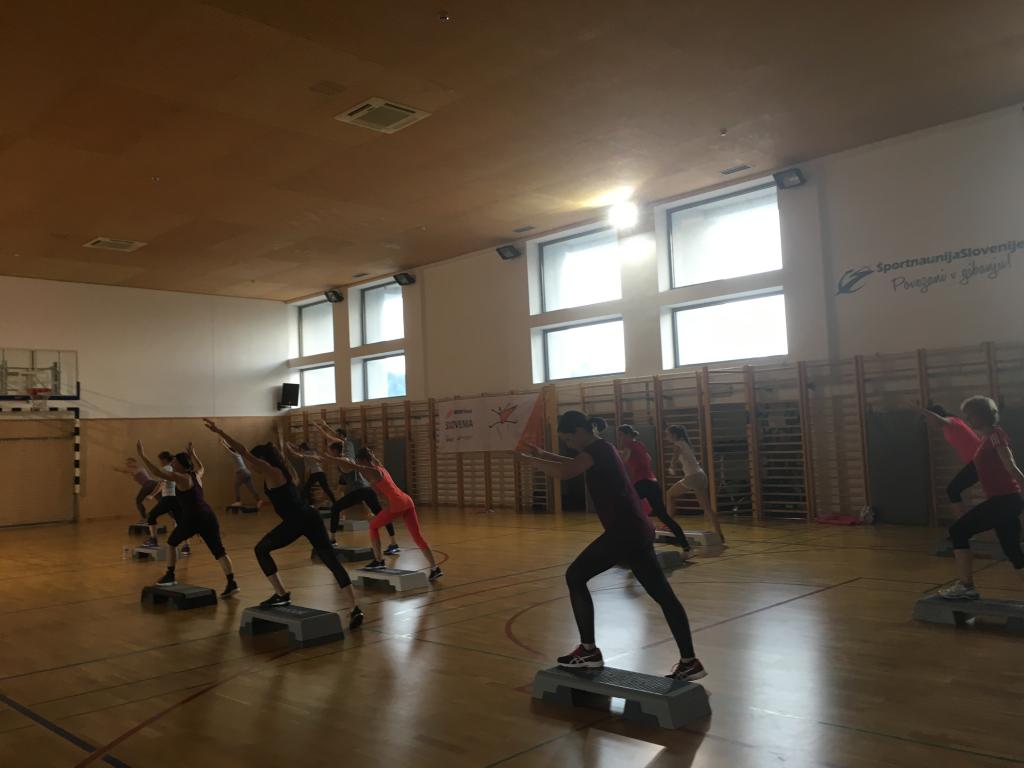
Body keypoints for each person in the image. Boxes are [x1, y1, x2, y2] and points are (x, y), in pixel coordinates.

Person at [519, 410, 705, 681]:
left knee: (575, 576)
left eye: (568, 439)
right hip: (636, 530)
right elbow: (572, 463)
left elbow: (565, 471)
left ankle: (588, 651)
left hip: (625, 532)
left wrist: (529, 460)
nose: (568, 444)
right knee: (663, 596)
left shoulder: (598, 450)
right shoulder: (600, 448)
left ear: (580, 431)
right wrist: (542, 454)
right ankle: (690, 661)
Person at [204, 420, 364, 627]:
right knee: (331, 561)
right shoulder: (282, 470)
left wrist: (219, 431)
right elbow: (252, 453)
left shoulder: (271, 471)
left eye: (254, 462)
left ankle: (281, 594)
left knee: (261, 550)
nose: (251, 465)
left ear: (262, 460)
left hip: (297, 520)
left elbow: (243, 451)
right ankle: (354, 607)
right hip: (310, 517)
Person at [939, 396, 1024, 599]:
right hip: (1005, 501)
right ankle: (966, 587)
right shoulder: (986, 438)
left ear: (981, 415)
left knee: (958, 531)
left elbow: (1010, 466)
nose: (967, 419)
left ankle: (966, 587)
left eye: (970, 415)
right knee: (1012, 550)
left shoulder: (995, 436)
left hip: (1004, 501)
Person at [320, 445, 442, 578]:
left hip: (397, 505)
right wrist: (370, 455)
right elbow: (371, 461)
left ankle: (379, 560)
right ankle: (435, 568)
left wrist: (331, 459)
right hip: (407, 502)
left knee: (373, 526)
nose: (359, 464)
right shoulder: (379, 467)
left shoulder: (373, 471)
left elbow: (352, 466)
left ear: (364, 460)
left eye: (359, 461)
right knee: (417, 537)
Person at [137, 440, 237, 597]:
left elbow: (157, 473)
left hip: (194, 518)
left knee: (171, 543)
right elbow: (202, 467)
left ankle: (170, 574)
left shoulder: (181, 477)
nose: (172, 463)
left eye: (175, 462)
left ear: (181, 465)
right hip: (208, 515)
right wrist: (194, 454)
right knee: (219, 551)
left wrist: (142, 455)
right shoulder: (196, 475)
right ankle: (232, 583)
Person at [311, 422, 400, 555]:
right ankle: (394, 543)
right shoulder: (343, 456)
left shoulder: (343, 459)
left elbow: (333, 458)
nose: (329, 452)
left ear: (335, 451)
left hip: (359, 490)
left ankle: (333, 540)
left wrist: (322, 431)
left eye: (330, 450)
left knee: (336, 508)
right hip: (367, 490)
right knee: (380, 514)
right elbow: (328, 457)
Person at [616, 425, 691, 556]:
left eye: (621, 435)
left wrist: (614, 454)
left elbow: (622, 461)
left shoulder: (629, 446)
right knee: (663, 516)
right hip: (653, 483)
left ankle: (633, 542)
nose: (620, 438)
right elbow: (648, 458)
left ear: (628, 435)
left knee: (624, 509)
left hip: (642, 483)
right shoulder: (640, 444)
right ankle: (687, 547)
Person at [921, 403, 981, 517]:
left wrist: (919, 409)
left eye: (927, 418)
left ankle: (964, 523)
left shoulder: (951, 421)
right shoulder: (951, 424)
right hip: (978, 461)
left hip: (980, 461)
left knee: (952, 490)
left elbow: (938, 418)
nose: (927, 422)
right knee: (953, 490)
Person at [665, 425, 723, 543]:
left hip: (692, 477)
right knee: (707, 508)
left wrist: (672, 467)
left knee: (670, 494)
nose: (667, 437)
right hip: (701, 475)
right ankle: (720, 534)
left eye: (668, 434)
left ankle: (669, 524)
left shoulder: (678, 444)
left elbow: (675, 457)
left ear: (674, 435)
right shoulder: (686, 443)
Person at [143, 450, 188, 554]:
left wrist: (152, 495)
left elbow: (161, 484)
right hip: (177, 498)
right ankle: (186, 546)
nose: (159, 462)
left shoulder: (165, 469)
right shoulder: (175, 468)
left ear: (164, 460)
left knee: (151, 516)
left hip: (168, 498)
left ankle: (153, 539)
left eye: (160, 460)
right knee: (181, 522)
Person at [285, 441, 337, 508]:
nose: (300, 451)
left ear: (303, 449)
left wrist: (288, 447)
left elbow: (296, 454)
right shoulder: (311, 453)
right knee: (322, 489)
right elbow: (298, 449)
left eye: (301, 449)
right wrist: (290, 444)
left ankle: (305, 505)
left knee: (306, 490)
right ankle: (333, 503)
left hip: (317, 473)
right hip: (319, 473)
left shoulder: (307, 454)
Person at [220, 439, 263, 509]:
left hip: (241, 473)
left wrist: (223, 444)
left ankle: (238, 501)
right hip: (246, 472)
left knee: (236, 486)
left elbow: (229, 450)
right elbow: (231, 448)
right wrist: (225, 442)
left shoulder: (235, 455)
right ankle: (259, 500)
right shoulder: (238, 454)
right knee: (251, 488)